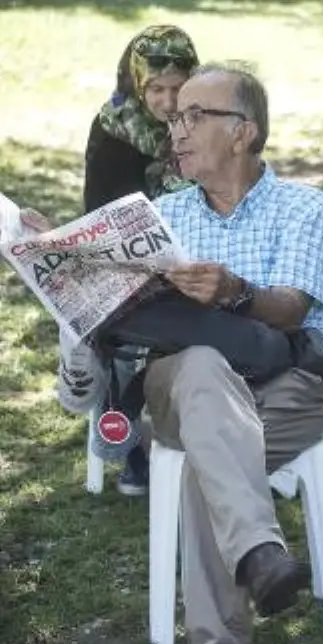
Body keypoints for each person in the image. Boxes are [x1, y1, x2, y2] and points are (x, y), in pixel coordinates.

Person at [37, 64, 323, 644]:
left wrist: (234, 290)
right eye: (173, 119)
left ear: (244, 132)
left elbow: (292, 310)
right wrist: (53, 251)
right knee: (202, 374)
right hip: (180, 382)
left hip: (286, 387)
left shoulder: (304, 207)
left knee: (214, 451)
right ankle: (259, 556)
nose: (176, 129)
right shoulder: (159, 216)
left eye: (194, 116)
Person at [61, 25, 200, 496]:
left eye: (177, 89)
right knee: (106, 314)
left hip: (194, 254)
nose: (166, 101)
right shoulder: (113, 125)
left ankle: (169, 437)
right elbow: (97, 207)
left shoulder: (209, 119)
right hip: (130, 257)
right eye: (155, 89)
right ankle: (131, 445)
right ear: (137, 84)